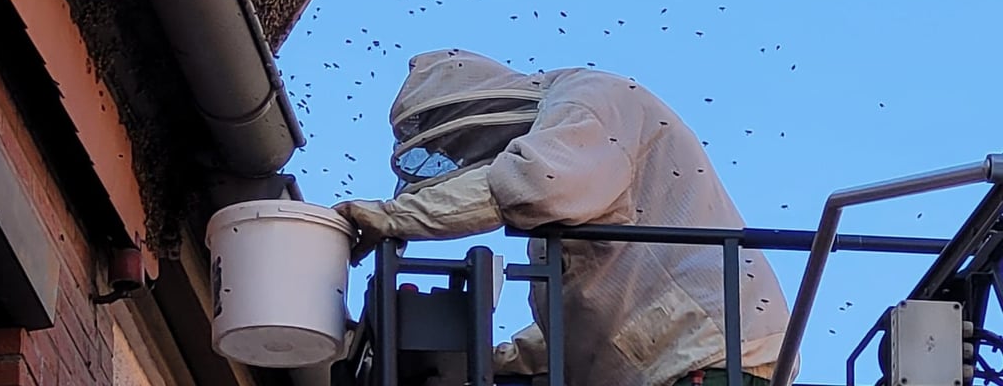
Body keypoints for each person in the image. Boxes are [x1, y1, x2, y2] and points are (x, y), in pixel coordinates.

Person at [334, 49, 796, 386]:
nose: (462, 156)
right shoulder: (564, 187)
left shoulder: (590, 98)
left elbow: (534, 182)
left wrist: (392, 217)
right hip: (685, 359)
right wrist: (493, 360)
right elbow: (583, 323)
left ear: (471, 106)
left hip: (710, 356)